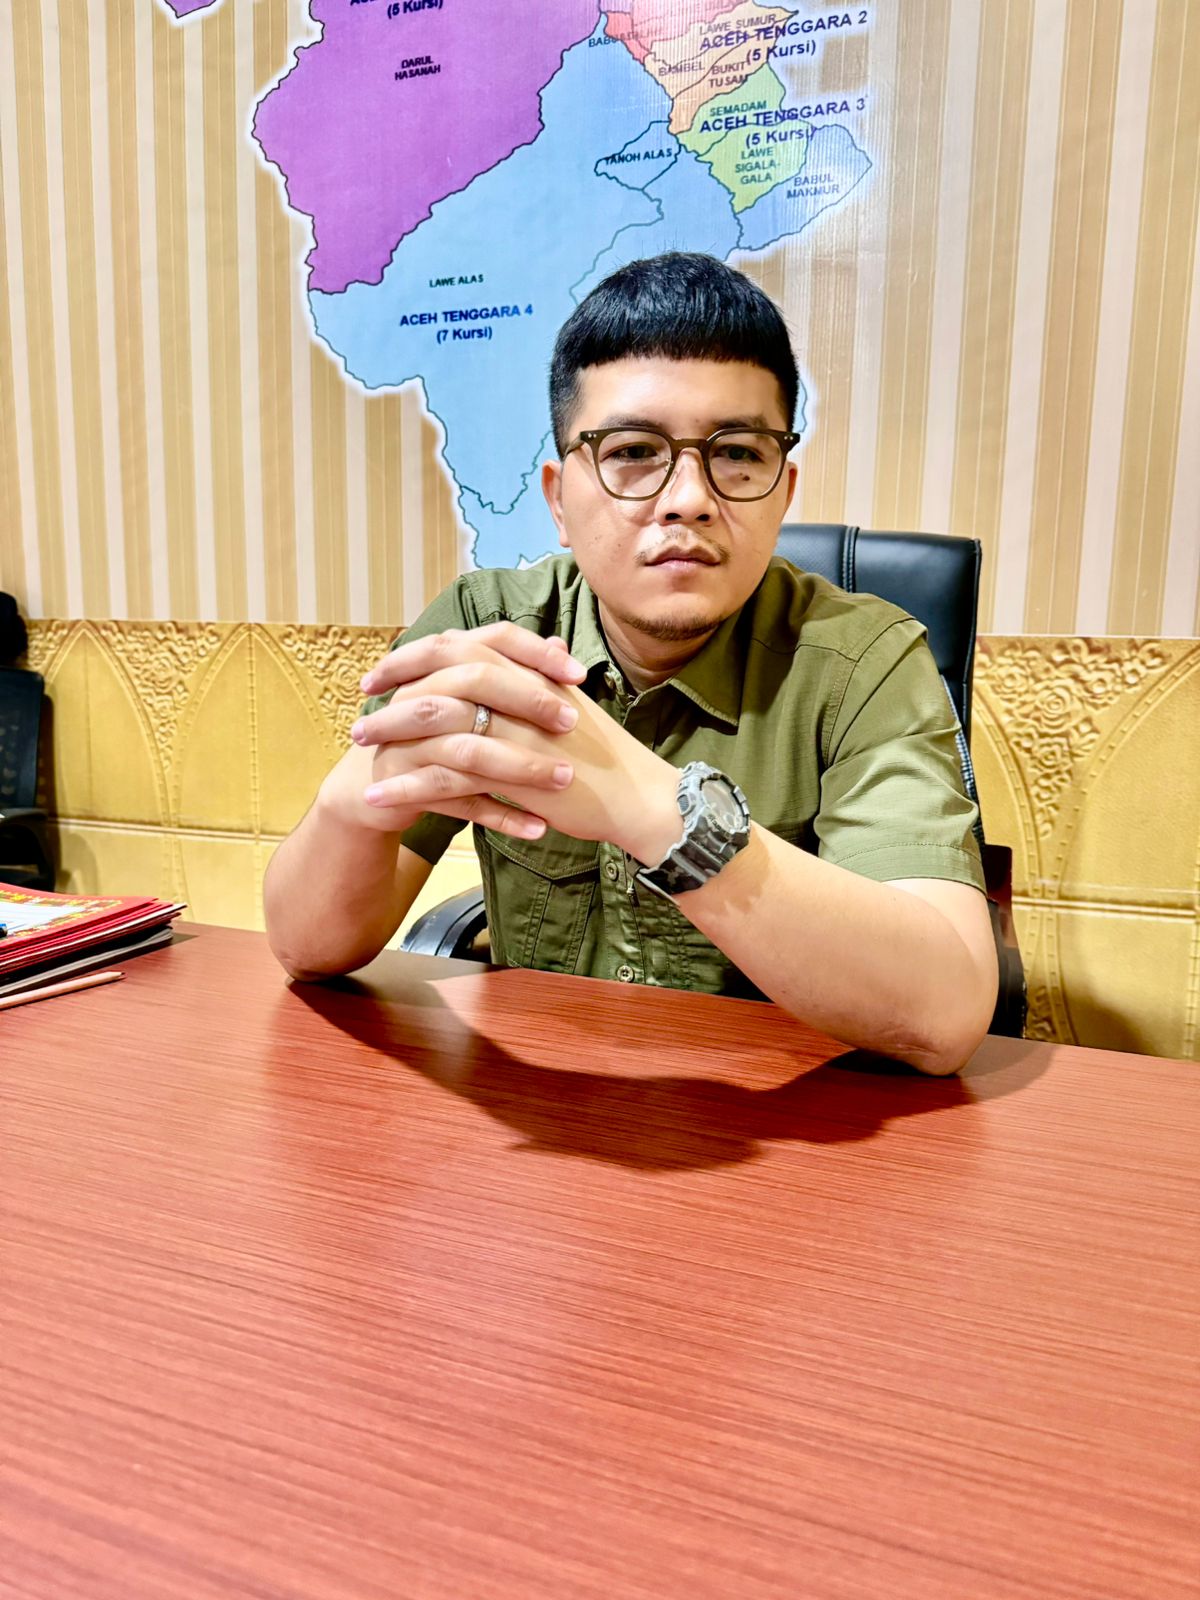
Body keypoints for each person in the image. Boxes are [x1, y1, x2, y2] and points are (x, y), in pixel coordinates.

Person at [265, 253, 997, 1074]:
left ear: (783, 492)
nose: (688, 498)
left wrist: (647, 805)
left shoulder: (865, 662)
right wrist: (352, 803)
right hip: (546, 1108)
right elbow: (308, 947)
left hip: (792, 1117)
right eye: (634, 451)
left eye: (737, 453)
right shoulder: (488, 631)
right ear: (559, 499)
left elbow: (943, 1013)